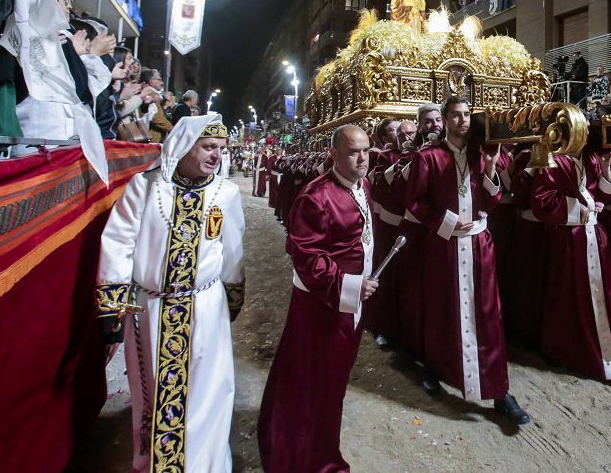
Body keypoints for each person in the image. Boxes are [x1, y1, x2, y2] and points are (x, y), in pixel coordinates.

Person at [96, 114, 245, 472]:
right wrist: (112, 306)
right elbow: (118, 243)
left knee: (208, 394)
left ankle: (204, 465)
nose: (216, 156)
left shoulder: (225, 193)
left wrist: (233, 298)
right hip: (150, 311)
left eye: (221, 149)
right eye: (209, 147)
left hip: (206, 308)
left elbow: (232, 250)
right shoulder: (145, 187)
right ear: (184, 146)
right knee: (153, 396)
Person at [258, 125, 379, 473]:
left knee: (332, 385)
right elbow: (307, 257)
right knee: (310, 384)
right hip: (321, 307)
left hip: (351, 304)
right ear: (333, 154)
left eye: (366, 151)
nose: (362, 159)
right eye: (354, 152)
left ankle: (321, 452)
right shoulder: (316, 196)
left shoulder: (363, 186)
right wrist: (350, 286)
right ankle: (299, 460)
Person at [404, 97, 530, 425]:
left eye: (466, 115)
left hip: (478, 245)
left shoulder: (480, 155)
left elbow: (492, 199)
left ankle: (500, 391)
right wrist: (446, 221)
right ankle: (436, 368)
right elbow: (415, 202)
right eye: (456, 115)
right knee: (442, 309)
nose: (463, 120)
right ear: (445, 119)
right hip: (444, 246)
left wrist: (490, 167)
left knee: (487, 314)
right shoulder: (428, 157)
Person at [530, 146, 611, 387]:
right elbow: (542, 202)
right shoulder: (552, 159)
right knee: (568, 297)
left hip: (592, 235)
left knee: (604, 298)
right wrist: (582, 209)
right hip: (569, 238)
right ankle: (571, 350)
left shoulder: (591, 157)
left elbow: (605, 196)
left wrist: (607, 168)